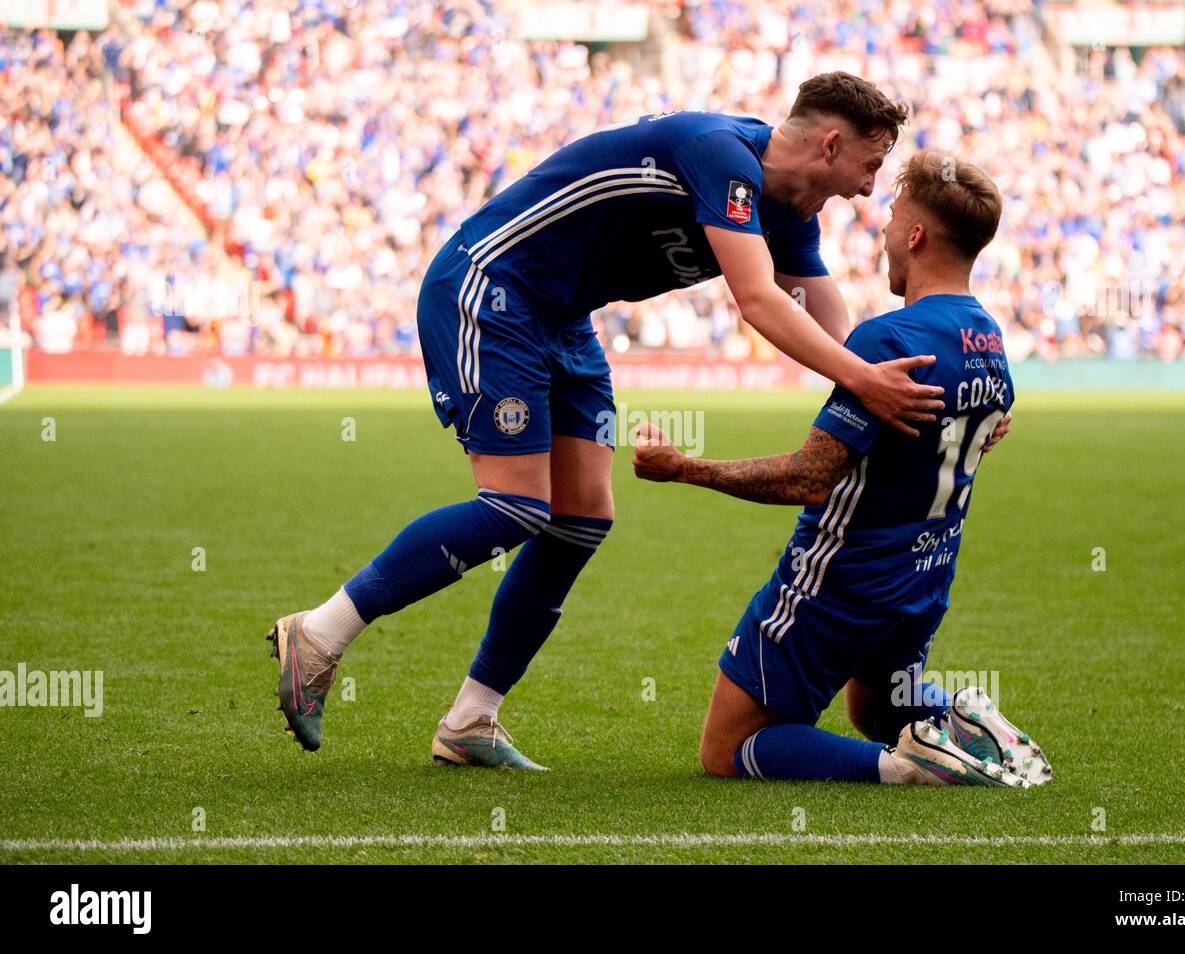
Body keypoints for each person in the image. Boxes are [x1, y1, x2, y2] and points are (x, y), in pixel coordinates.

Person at [267, 72, 946, 768]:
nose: (869, 187)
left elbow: (837, 329)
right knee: (514, 506)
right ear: (831, 143)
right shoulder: (722, 155)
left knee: (581, 516)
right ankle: (319, 635)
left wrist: (927, 387)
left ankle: (471, 720)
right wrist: (863, 382)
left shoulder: (791, 216)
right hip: (491, 286)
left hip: (560, 317)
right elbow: (759, 302)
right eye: (870, 163)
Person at [632, 150, 1051, 787]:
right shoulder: (990, 342)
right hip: (924, 577)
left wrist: (684, 468)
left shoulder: (889, 342)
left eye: (891, 219)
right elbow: (982, 426)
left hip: (843, 580)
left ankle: (906, 769)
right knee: (876, 706)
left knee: (728, 748)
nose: (883, 234)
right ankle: (964, 720)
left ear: (916, 236)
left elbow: (808, 478)